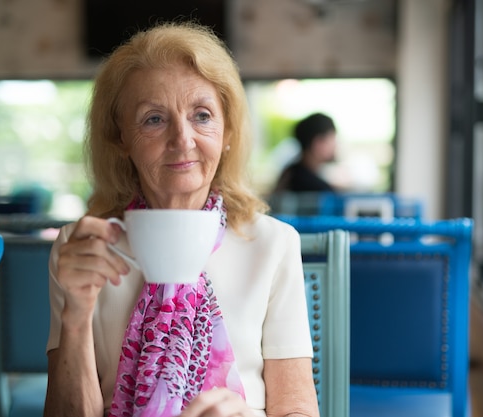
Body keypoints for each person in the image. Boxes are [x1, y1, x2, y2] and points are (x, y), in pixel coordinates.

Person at [43, 21, 319, 417]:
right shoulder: (82, 248)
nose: (183, 139)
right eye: (154, 119)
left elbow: (298, 409)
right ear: (120, 137)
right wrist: (76, 315)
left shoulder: (273, 244)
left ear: (227, 131)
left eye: (202, 115)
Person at [274, 113, 337, 193]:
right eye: (332, 138)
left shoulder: (290, 173)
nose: (335, 145)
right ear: (318, 143)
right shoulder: (317, 189)